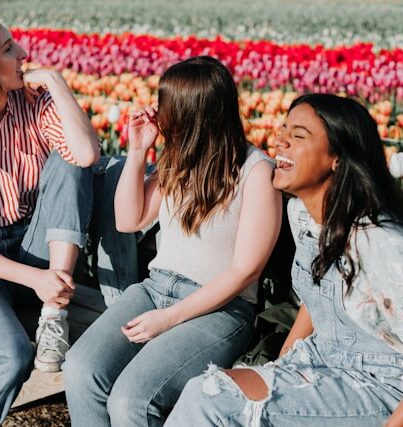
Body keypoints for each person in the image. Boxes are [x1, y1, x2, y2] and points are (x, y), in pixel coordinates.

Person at [63, 56, 282, 426]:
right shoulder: (178, 160)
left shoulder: (256, 170)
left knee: (132, 399)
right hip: (154, 289)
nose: (159, 114)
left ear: (194, 114)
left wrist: (169, 319)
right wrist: (137, 151)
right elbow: (128, 219)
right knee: (81, 370)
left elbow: (247, 269)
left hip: (220, 308)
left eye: (167, 106)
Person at [165, 93, 403, 427]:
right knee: (205, 392)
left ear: (338, 157)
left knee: (212, 398)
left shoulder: (380, 242)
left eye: (298, 135)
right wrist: (280, 368)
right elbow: (319, 301)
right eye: (282, 130)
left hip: (382, 386)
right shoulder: (302, 215)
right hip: (321, 361)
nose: (280, 141)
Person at [0, 10, 100, 426]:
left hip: (35, 246)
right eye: (9, 49)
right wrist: (35, 280)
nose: (25, 53)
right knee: (10, 357)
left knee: (67, 161)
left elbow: (84, 155)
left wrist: (56, 82)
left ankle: (54, 314)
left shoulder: (32, 102)